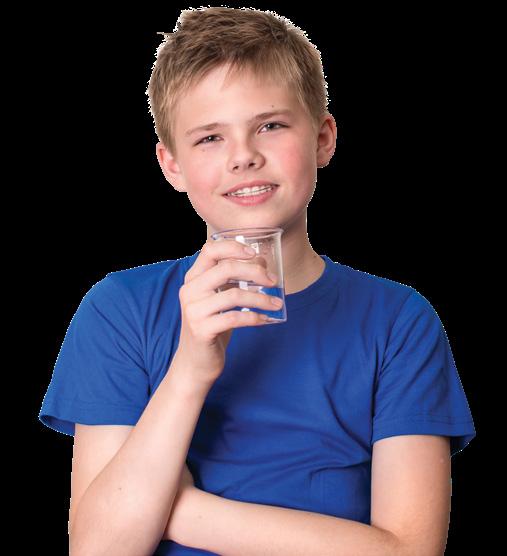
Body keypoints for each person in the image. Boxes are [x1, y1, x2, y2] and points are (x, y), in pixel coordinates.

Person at [38, 7, 476, 556]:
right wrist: (191, 368)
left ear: (323, 138)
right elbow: (100, 549)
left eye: (270, 126)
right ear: (172, 166)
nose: (243, 156)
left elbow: (409, 553)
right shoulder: (119, 309)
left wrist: (179, 510)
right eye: (209, 138)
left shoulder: (398, 320)